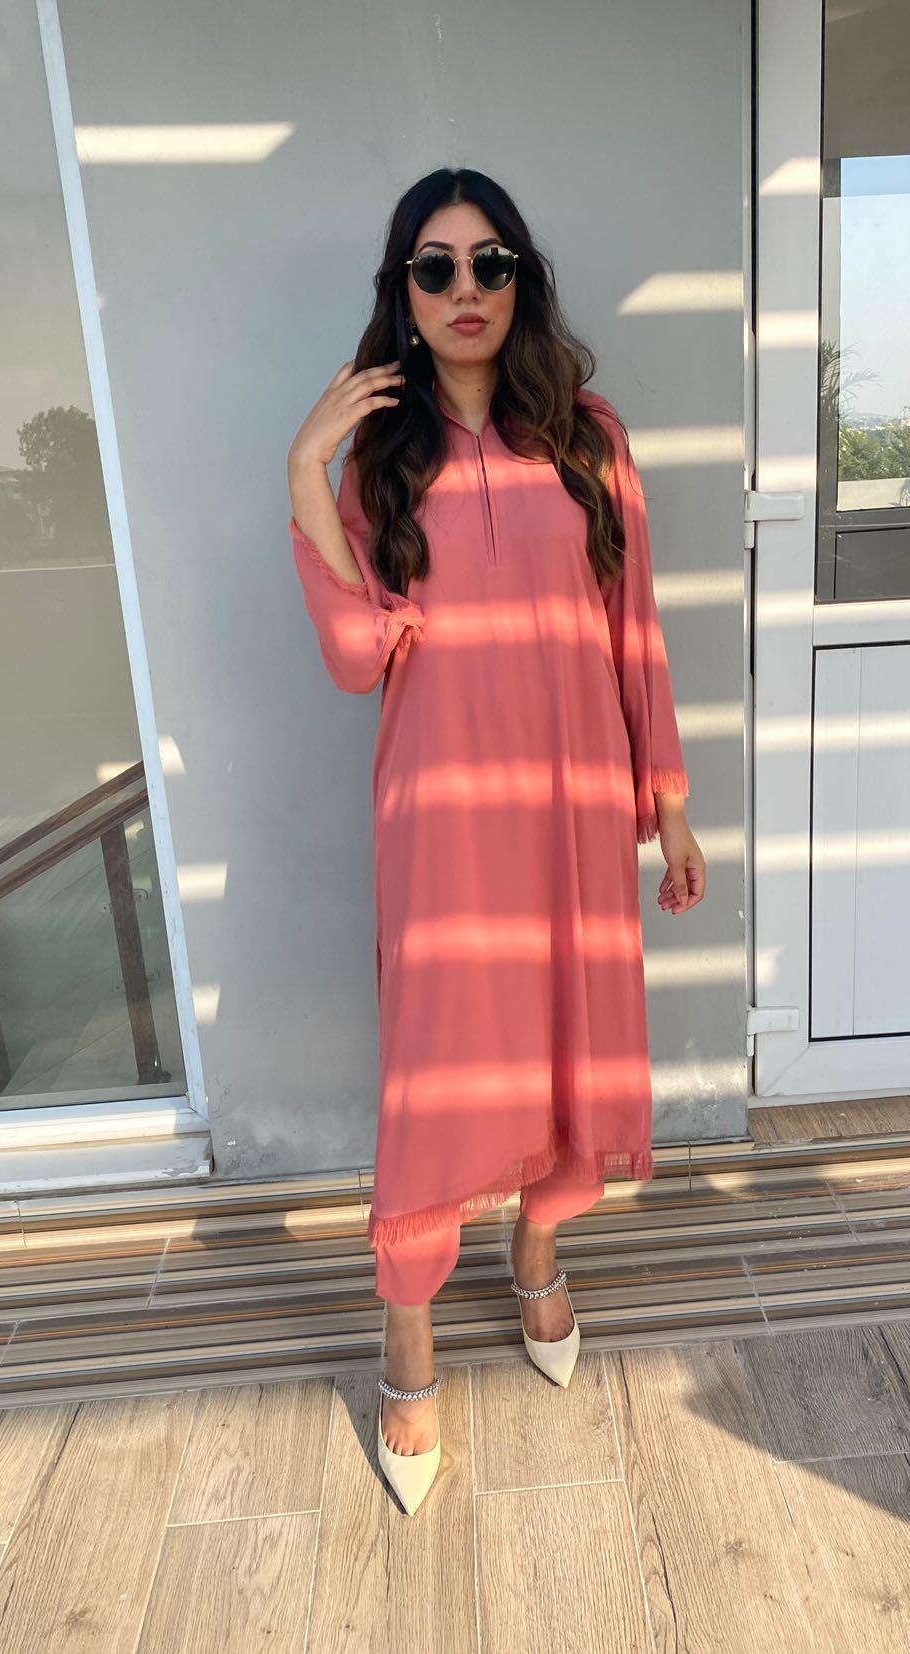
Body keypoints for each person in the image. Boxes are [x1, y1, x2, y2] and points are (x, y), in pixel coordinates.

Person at [287, 166, 706, 1514]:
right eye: (435, 266)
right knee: (444, 1061)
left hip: (576, 800)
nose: (464, 289)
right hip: (445, 810)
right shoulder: (380, 461)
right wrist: (305, 471)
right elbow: (358, 654)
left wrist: (668, 799)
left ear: (521, 279)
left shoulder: (588, 436)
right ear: (402, 293)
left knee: (566, 1032)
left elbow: (632, 624)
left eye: (489, 263)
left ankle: (537, 1253)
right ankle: (407, 1338)